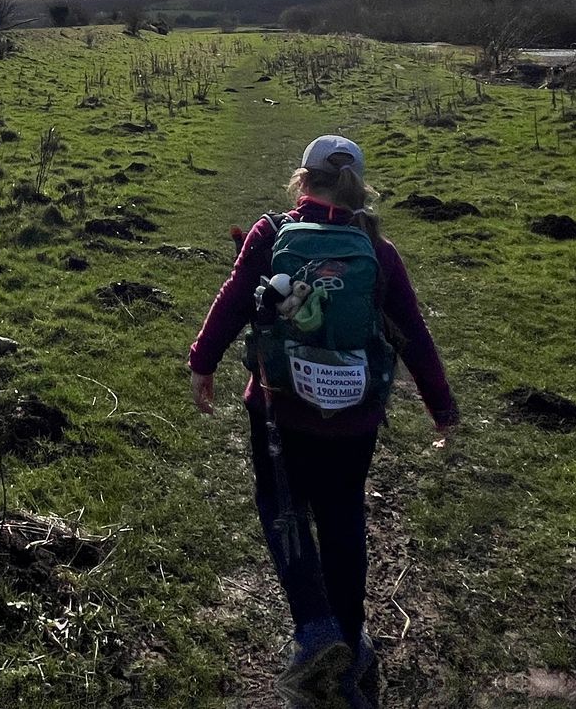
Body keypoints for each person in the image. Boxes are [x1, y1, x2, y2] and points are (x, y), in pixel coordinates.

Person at [188, 134, 459, 708]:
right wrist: (441, 407)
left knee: (282, 509)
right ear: (357, 187)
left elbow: (234, 299)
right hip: (353, 415)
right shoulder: (378, 251)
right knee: (342, 515)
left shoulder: (270, 235)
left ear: (300, 181)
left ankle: (314, 630)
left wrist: (202, 362)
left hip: (277, 407)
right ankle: (353, 638)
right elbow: (412, 330)